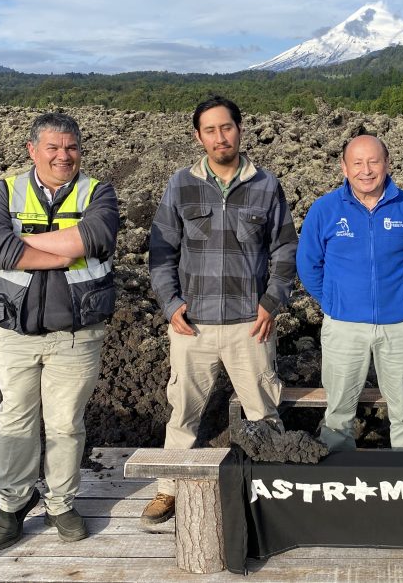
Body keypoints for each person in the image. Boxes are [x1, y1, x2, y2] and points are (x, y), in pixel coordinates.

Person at [143, 95, 297, 525]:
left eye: (225, 127)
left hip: (251, 324)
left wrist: (272, 300)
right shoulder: (181, 185)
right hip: (193, 327)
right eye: (209, 130)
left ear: (240, 129)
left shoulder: (266, 185)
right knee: (183, 413)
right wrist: (170, 304)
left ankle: (274, 494)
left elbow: (285, 248)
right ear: (198, 137)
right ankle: (168, 489)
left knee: (264, 412)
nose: (219, 136)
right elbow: (160, 251)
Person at [0, 112, 119, 550]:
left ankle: (61, 503)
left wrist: (25, 247)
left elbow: (92, 239)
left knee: (64, 425)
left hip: (76, 334)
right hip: (16, 332)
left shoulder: (99, 191)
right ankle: (13, 505)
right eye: (52, 147)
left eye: (71, 147)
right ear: (32, 150)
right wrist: (60, 252)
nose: (63, 156)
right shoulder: (5, 190)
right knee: (14, 419)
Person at [296, 135, 403, 452]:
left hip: (398, 326)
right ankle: (338, 480)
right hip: (343, 327)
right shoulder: (325, 210)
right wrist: (335, 301)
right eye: (357, 163)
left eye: (373, 161)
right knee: (339, 413)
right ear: (344, 167)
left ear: (387, 163)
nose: (366, 170)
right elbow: (308, 266)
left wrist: (398, 296)